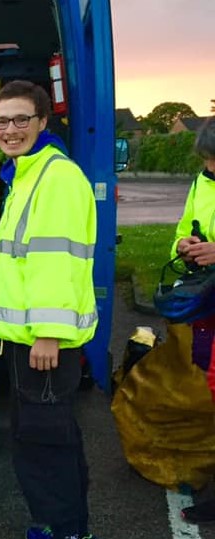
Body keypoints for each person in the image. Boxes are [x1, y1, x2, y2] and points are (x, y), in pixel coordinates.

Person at [0, 80, 98, 539]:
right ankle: (67, 525)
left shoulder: (56, 179)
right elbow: (16, 252)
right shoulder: (26, 173)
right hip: (26, 343)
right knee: (53, 437)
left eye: (22, 119)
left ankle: (64, 530)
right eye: (2, 121)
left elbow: (55, 262)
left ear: (43, 122)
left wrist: (49, 332)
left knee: (43, 445)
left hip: (41, 344)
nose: (10, 129)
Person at [171, 116, 215, 525]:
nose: (211, 169)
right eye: (208, 161)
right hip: (208, 302)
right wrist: (183, 245)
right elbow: (184, 230)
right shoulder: (203, 181)